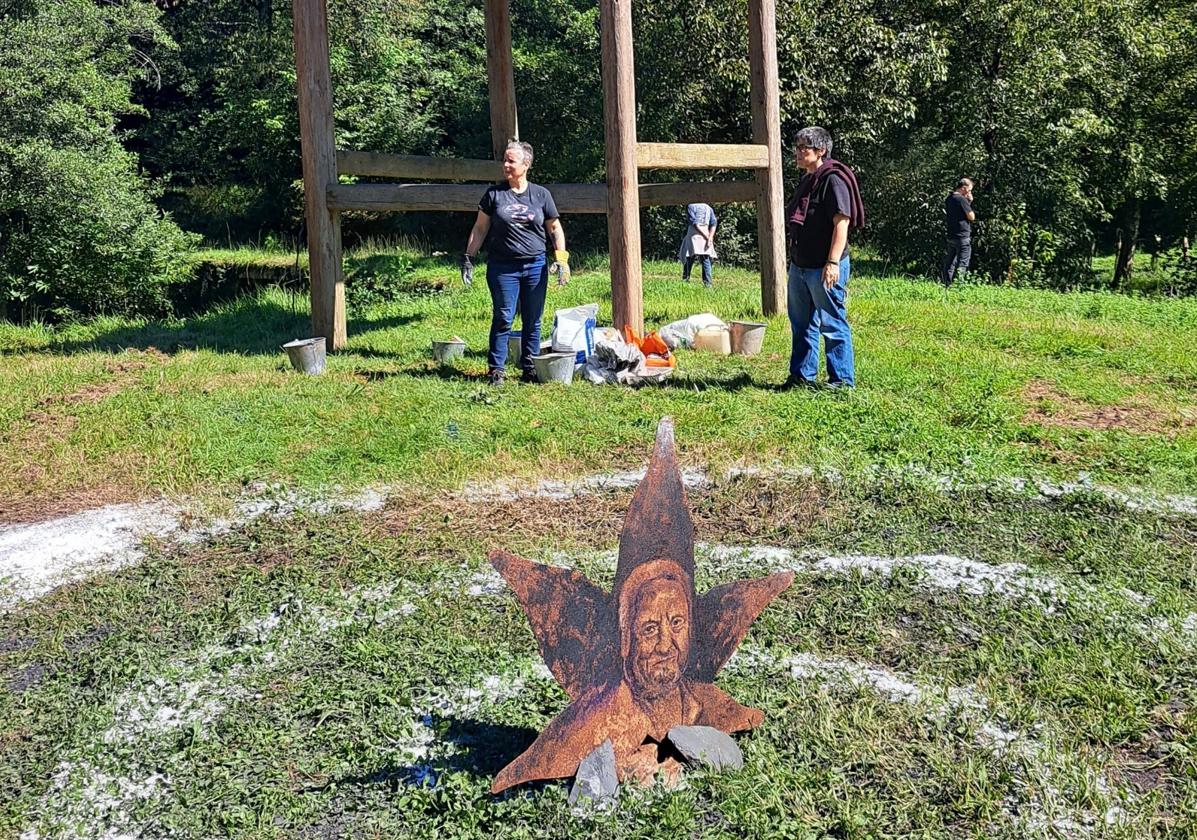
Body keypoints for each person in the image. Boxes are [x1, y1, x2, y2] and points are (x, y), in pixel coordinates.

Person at [461, 141, 570, 385]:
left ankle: (529, 367)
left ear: (526, 164)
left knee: (533, 319)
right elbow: (479, 229)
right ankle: (496, 370)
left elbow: (554, 228)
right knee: (503, 317)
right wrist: (468, 257)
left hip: (535, 266)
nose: (506, 165)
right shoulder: (494, 195)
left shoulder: (541, 195)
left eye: (511, 161)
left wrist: (561, 259)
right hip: (503, 268)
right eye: (505, 161)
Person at [783, 126, 865, 389]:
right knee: (802, 324)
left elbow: (842, 222)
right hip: (801, 265)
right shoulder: (808, 179)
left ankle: (841, 382)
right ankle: (801, 377)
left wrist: (832, 262)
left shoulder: (833, 179)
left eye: (803, 148)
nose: (797, 152)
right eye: (796, 147)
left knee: (831, 323)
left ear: (821, 151)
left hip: (824, 265)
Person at [942, 177, 976, 286]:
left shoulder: (949, 198)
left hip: (951, 235)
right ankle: (959, 285)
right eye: (969, 190)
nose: (970, 192)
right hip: (962, 236)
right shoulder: (961, 200)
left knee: (950, 262)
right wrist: (969, 201)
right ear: (964, 188)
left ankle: (946, 284)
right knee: (962, 263)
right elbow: (971, 217)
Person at [677, 202, 718, 287]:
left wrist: (709, 237)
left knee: (689, 258)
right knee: (705, 259)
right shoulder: (708, 207)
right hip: (704, 233)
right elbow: (713, 223)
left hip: (694, 234)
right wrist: (709, 236)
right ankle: (708, 285)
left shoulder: (691, 206)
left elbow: (694, 223)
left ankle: (686, 280)